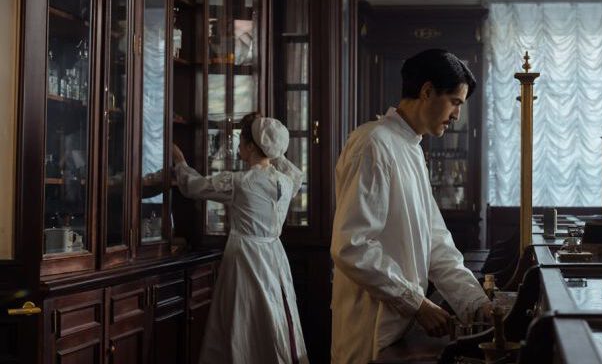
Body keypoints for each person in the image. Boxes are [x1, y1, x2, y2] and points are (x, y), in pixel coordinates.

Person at [330, 49, 491, 363]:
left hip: (399, 324)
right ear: (427, 91)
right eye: (455, 102)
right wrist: (417, 303)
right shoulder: (373, 143)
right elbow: (351, 245)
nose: (458, 115)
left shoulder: (411, 148)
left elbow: (435, 243)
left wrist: (477, 303)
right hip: (371, 325)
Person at [173, 113, 308, 363]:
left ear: (249, 146)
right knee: (271, 316)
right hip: (274, 256)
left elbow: (194, 186)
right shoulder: (287, 182)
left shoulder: (241, 182)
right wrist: (271, 146)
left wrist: (180, 162)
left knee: (242, 320)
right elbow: (294, 174)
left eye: (241, 141)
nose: (237, 147)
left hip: (246, 258)